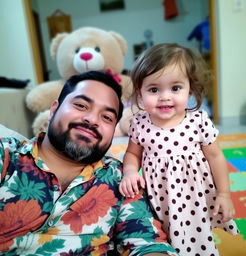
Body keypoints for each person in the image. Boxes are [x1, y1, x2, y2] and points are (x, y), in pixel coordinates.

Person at [0, 71, 179, 256]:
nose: (92, 120)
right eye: (81, 105)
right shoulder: (6, 155)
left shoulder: (120, 178)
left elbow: (146, 243)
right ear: (53, 110)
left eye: (107, 117)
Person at [119, 43, 239, 256]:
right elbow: (132, 154)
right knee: (165, 235)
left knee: (198, 233)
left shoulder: (198, 120)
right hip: (160, 194)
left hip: (195, 193)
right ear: (140, 92)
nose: (165, 97)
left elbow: (216, 156)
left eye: (175, 88)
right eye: (154, 89)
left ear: (189, 88)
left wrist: (224, 193)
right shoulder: (139, 123)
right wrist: (129, 171)